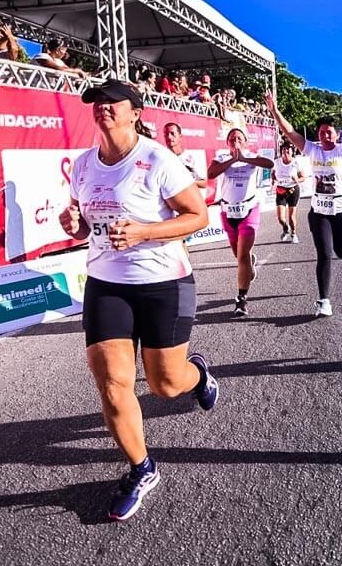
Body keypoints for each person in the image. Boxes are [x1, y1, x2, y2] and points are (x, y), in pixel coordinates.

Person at [56, 79, 214, 521]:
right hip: (106, 283)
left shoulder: (157, 160)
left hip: (163, 283)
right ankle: (142, 468)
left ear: (135, 112)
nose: (103, 107)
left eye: (113, 101)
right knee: (112, 383)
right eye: (97, 102)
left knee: (165, 385)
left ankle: (198, 375)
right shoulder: (84, 165)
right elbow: (85, 225)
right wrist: (74, 224)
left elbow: (197, 216)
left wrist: (144, 232)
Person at [264, 79, 342, 317]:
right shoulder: (312, 150)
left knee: (340, 251)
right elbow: (290, 132)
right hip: (319, 211)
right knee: (324, 254)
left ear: (336, 134)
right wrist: (274, 111)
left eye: (329, 132)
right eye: (321, 132)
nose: (325, 135)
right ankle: (324, 301)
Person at [208, 128, 274, 317]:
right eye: (232, 138)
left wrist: (244, 158)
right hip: (228, 211)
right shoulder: (221, 158)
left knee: (243, 255)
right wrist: (232, 160)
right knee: (238, 255)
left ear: (245, 141)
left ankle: (241, 299)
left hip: (249, 209)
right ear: (227, 142)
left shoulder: (252, 157)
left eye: (239, 138)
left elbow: (269, 164)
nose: (235, 141)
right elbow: (211, 173)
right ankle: (250, 264)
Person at [272, 140, 308, 243]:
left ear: (292, 151)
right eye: (284, 149)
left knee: (291, 217)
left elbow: (303, 177)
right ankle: (285, 228)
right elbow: (273, 173)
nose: (286, 151)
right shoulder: (277, 162)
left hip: (293, 190)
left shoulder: (296, 163)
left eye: (288, 149)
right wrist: (273, 180)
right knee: (280, 218)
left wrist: (297, 180)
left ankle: (293, 233)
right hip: (281, 190)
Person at [163, 122, 207, 192]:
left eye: (172, 133)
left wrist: (185, 183)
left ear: (180, 136)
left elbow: (204, 183)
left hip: (190, 197)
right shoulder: (162, 157)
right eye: (166, 134)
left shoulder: (191, 157)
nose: (169, 137)